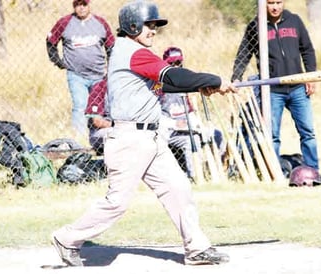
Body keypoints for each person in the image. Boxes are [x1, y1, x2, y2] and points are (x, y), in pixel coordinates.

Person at [51, 0, 238, 267]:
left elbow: (166, 84)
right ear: (132, 25)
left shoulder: (132, 52)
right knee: (117, 203)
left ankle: (196, 248)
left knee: (178, 188)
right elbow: (173, 76)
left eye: (155, 25)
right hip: (129, 140)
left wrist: (203, 87)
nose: (153, 30)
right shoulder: (134, 52)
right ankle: (67, 238)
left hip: (149, 138)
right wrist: (214, 80)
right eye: (149, 25)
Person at [231, 0, 321, 181]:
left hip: (298, 87)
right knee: (272, 135)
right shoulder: (255, 26)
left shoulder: (294, 21)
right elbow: (244, 53)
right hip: (272, 91)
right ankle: (275, 173)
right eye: (270, 3)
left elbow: (307, 49)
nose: (275, 7)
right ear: (263, 5)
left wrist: (311, 76)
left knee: (307, 132)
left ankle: (313, 171)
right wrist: (236, 77)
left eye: (278, 2)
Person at [46, 0, 115, 137]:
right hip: (76, 75)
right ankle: (80, 139)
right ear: (74, 6)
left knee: (100, 109)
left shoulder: (100, 23)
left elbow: (110, 46)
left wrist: (111, 67)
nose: (81, 8)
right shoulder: (65, 23)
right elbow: (50, 41)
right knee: (80, 106)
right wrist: (58, 61)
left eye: (84, 4)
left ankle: (100, 136)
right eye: (78, 4)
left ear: (89, 5)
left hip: (99, 75)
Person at [159, 47, 204, 181]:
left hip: (185, 129)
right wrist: (174, 124)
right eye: (171, 64)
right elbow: (153, 115)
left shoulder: (185, 83)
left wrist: (196, 123)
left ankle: (197, 175)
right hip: (167, 130)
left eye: (178, 63)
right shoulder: (158, 86)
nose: (175, 67)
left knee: (213, 135)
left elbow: (190, 112)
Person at [84, 78, 112, 155]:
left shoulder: (129, 87)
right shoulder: (100, 87)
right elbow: (97, 122)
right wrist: (118, 125)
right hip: (100, 132)